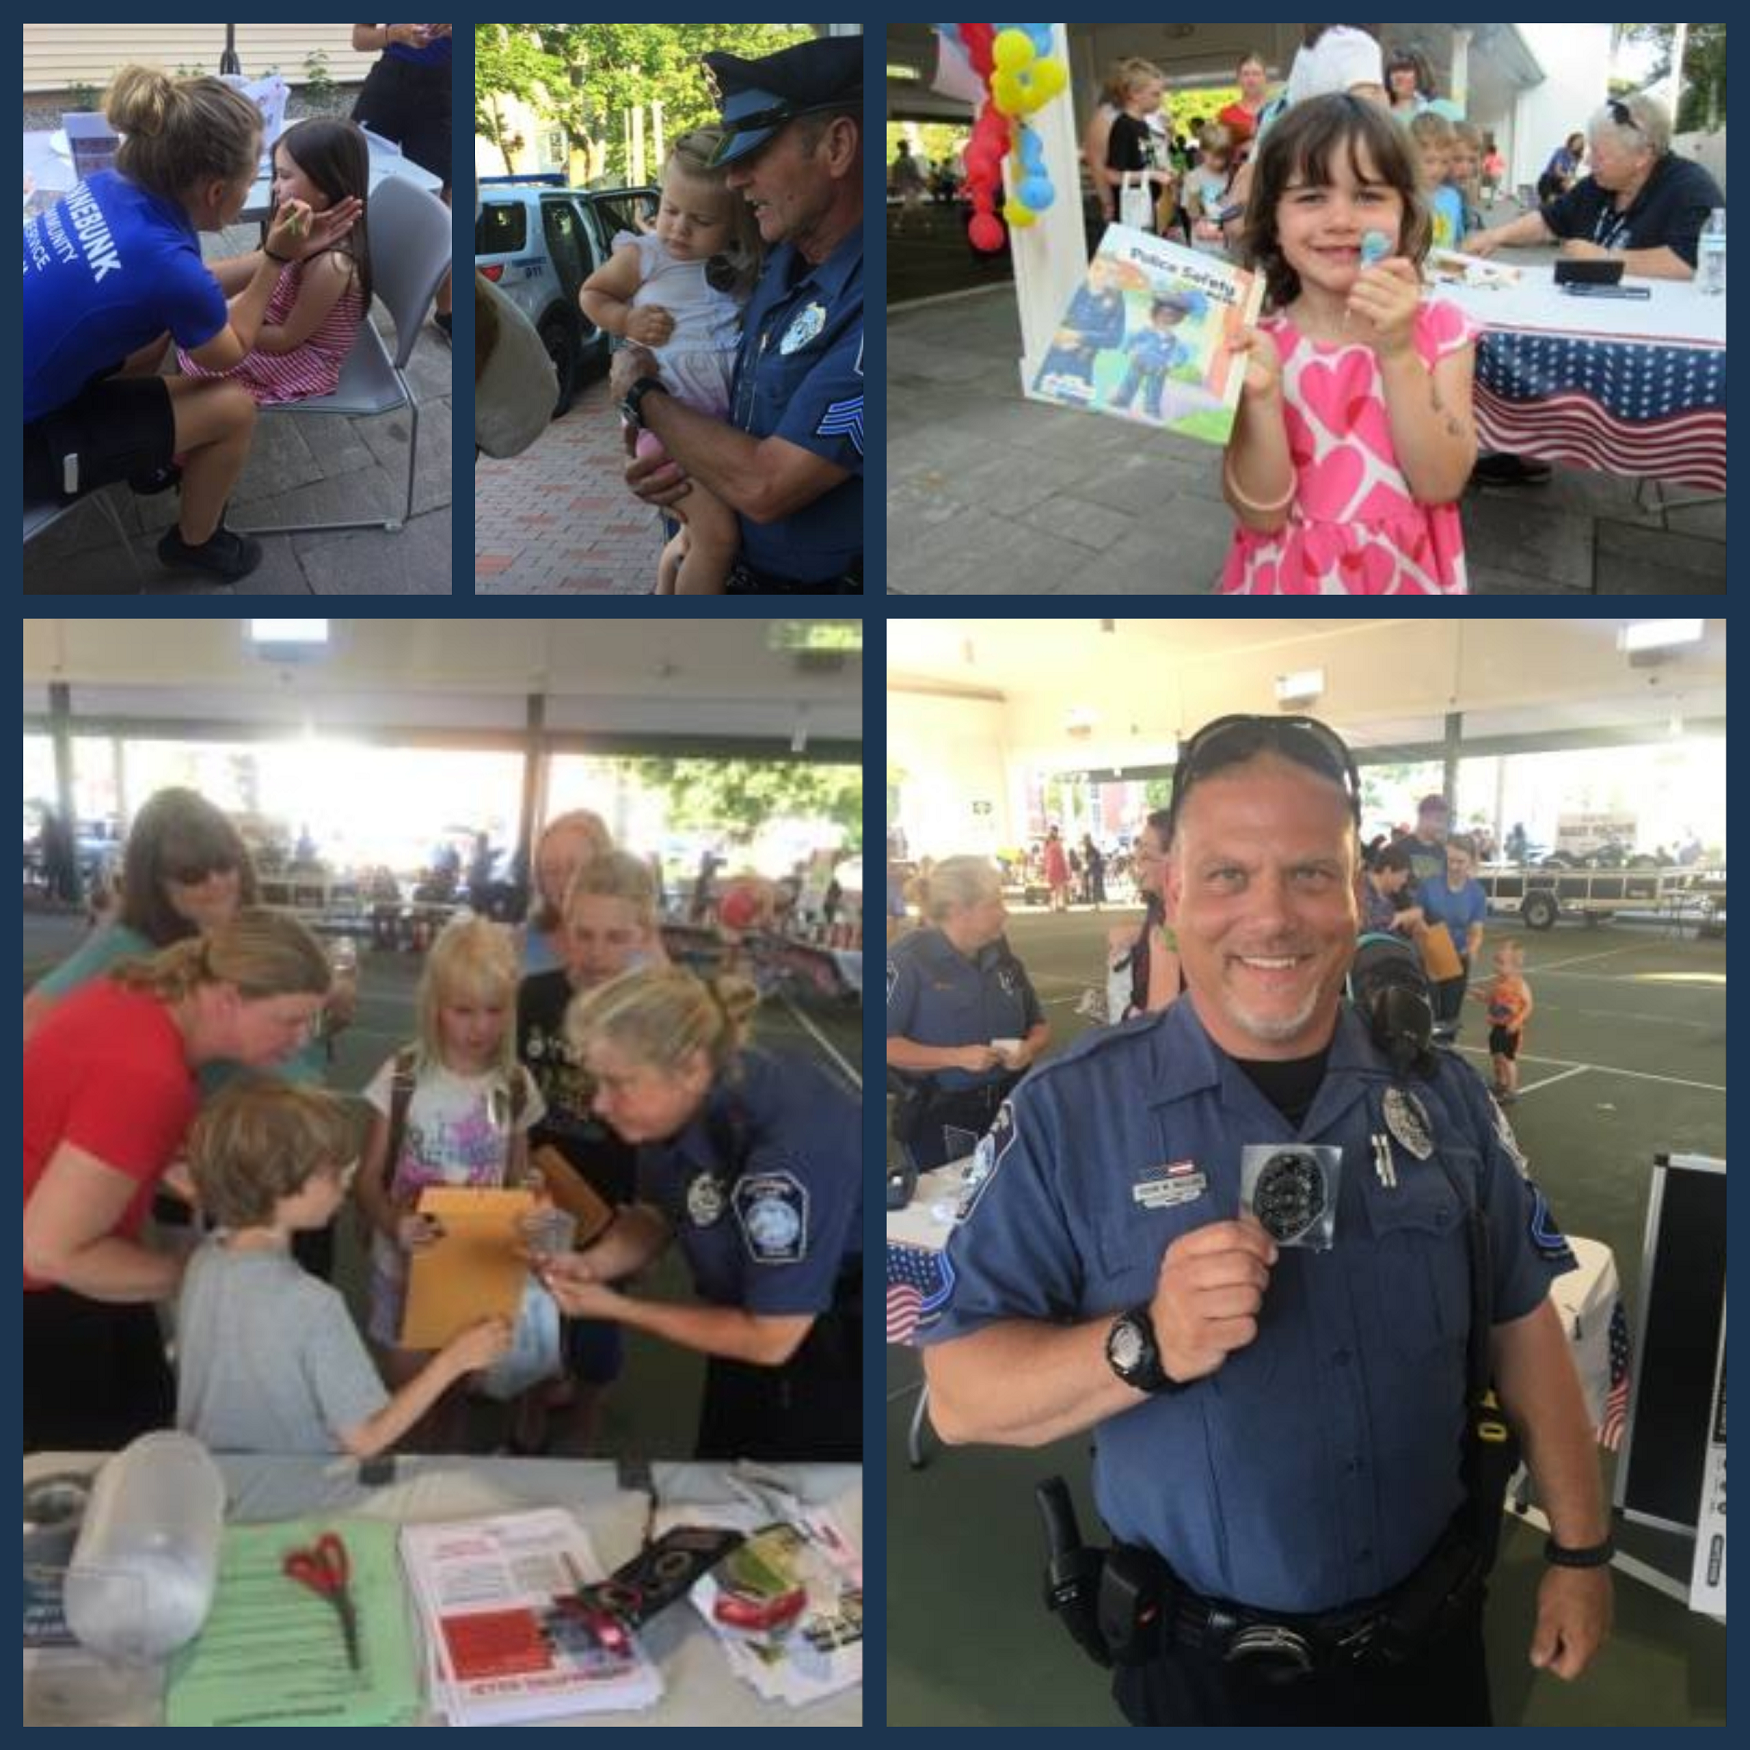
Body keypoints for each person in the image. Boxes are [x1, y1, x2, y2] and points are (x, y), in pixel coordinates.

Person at [918, 714, 1611, 1726]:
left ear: (1354, 893)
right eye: (1228, 875)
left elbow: (1521, 1324)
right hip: (1204, 1678)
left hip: (1431, 1650)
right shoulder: (1071, 1113)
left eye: (1308, 874)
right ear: (1172, 894)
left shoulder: (1445, 1099)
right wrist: (1142, 1344)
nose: (1271, 917)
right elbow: (961, 1392)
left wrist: (1582, 1550)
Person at [23, 67, 362, 581]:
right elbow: (230, 351)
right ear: (216, 191)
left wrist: (285, 255)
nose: (263, 188)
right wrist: (274, 260)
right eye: (257, 176)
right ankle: (196, 544)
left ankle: (146, 450)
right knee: (234, 408)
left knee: (156, 332)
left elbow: (186, 283)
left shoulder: (108, 186)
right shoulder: (166, 265)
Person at [24, 909, 332, 1451]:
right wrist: (213, 1275)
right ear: (229, 997)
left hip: (70, 1265)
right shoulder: (148, 1075)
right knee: (95, 1475)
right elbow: (45, 1252)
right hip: (41, 1301)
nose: (300, 1039)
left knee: (146, 1417)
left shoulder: (137, 993)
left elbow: (91, 1136)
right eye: (289, 1020)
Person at [536, 968, 861, 1461]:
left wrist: (618, 1308)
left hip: (828, 1335)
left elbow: (773, 1338)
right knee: (726, 1456)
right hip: (744, 1317)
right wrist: (591, 1266)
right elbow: (657, 1214)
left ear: (689, 1069)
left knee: (802, 1490)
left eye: (617, 1084)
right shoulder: (670, 1106)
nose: (599, 1103)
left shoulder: (787, 1149)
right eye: (595, 1081)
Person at [615, 36, 862, 595]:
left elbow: (765, 485)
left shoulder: (866, 305)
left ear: (838, 148)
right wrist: (669, 459)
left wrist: (641, 397)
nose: (734, 178)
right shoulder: (775, 261)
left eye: (753, 154)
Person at [1222, 94, 1478, 595]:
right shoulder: (1254, 344)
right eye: (1310, 197)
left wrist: (1399, 353)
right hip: (1288, 578)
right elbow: (1261, 514)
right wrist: (1262, 398)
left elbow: (1440, 483)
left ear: (1406, 211)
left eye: (1368, 195)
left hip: (1404, 575)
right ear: (1273, 221)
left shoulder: (1441, 330)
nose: (1341, 219)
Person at [176, 1080, 511, 1456]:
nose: (348, 1181)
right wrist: (454, 1360)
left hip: (209, 1482)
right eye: (333, 1172)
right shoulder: (311, 1302)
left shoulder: (204, 1261)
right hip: (292, 1495)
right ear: (280, 1182)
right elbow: (367, 1437)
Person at [353, 917, 546, 1437]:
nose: (480, 1027)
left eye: (494, 1010)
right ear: (434, 1003)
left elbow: (519, 1178)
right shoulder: (403, 1075)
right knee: (406, 1394)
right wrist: (394, 1224)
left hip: (478, 1269)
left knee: (461, 1387)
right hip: (403, 1271)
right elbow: (366, 1181)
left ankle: (446, 1461)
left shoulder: (514, 1084)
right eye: (463, 1010)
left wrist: (529, 1201)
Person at [518, 851, 664, 1450]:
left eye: (615, 937)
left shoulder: (652, 1012)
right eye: (583, 934)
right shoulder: (535, 994)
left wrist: (652, 1216)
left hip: (615, 1195)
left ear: (643, 935)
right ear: (564, 927)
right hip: (542, 1181)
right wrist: (516, 1168)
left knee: (600, 1315)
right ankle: (529, 1398)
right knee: (536, 1302)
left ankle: (585, 1410)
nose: (597, 952)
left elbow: (664, 1120)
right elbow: (519, 1087)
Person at [581, 130, 762, 596]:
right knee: (718, 540)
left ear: (735, 224)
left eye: (700, 219)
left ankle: (665, 587)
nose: (679, 228)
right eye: (670, 210)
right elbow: (592, 293)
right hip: (665, 432)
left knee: (693, 534)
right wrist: (627, 318)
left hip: (716, 430)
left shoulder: (740, 265)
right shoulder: (645, 256)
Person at [176, 120, 373, 405]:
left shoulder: (332, 265)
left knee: (205, 360)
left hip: (301, 355)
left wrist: (227, 329)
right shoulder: (301, 229)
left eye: (284, 175)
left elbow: (286, 338)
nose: (275, 187)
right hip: (281, 327)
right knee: (200, 339)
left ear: (326, 185)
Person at [886, 856, 1048, 1170]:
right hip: (943, 1121)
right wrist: (956, 1057)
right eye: (994, 903)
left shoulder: (1003, 958)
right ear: (959, 909)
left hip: (1012, 1108)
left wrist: (1028, 1048)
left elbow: (1039, 1025)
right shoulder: (907, 961)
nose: (1006, 912)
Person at [1471, 97, 1724, 284]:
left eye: (1600, 155)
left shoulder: (1691, 189)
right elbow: (1549, 221)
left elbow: (1690, 262)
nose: (1589, 162)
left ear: (1642, 156)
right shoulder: (1598, 184)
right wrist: (1495, 236)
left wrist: (1605, 258)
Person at [351, 23, 452, 338]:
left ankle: (448, 312)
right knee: (351, 183)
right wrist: (393, 34)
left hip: (448, 88)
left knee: (441, 203)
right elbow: (360, 38)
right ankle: (340, 298)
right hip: (391, 82)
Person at [1107, 809, 1181, 1022]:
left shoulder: (1174, 922)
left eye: (1147, 854)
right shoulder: (1160, 907)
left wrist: (1125, 1013)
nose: (1137, 859)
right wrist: (1137, 934)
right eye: (1138, 847)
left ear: (1174, 862)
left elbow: (1161, 1021)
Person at [522, 809, 613, 975]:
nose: (563, 880)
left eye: (574, 867)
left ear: (605, 868)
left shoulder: (636, 943)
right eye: (551, 869)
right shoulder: (523, 942)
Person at [1419, 834, 1488, 1042]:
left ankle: (1447, 1062)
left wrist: (1472, 948)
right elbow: (1416, 919)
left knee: (1450, 1018)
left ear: (1472, 862)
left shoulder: (1477, 893)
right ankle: (1429, 1060)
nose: (1455, 866)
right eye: (1451, 860)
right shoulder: (1429, 886)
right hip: (1429, 958)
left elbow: (1476, 930)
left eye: (1461, 861)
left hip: (1458, 960)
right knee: (1430, 1016)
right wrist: (1430, 941)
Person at [1105, 63, 1176, 236]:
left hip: (1149, 214)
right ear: (1134, 94)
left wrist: (1162, 171)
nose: (1160, 99)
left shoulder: (1143, 125)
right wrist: (1153, 175)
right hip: (1133, 219)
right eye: (1155, 94)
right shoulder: (1123, 126)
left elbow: (1142, 163)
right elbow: (1111, 175)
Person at [1472, 939, 1533, 1103]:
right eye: (1495, 961)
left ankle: (1511, 1090)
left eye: (1500, 962)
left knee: (1507, 1059)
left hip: (1510, 1029)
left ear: (1514, 966)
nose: (1495, 966)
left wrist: (1517, 1022)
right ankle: (1501, 1082)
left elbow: (1528, 1006)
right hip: (1497, 1027)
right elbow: (1490, 998)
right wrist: (1480, 995)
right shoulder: (1497, 983)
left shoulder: (1520, 984)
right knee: (1497, 1057)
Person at [1408, 111, 1465, 249]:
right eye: (1429, 161)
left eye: (1445, 162)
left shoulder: (1453, 197)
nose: (1438, 170)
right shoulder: (1404, 197)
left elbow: (1458, 240)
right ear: (1410, 157)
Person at [1185, 124, 1239, 255]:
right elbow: (1193, 215)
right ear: (1203, 151)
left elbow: (1240, 208)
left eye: (1224, 156)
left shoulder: (1235, 174)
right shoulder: (1194, 176)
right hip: (1204, 247)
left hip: (1230, 247)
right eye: (1215, 156)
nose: (1220, 161)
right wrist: (1193, 195)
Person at [1391, 793, 1451, 892]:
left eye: (1443, 821)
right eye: (1438, 820)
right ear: (1424, 817)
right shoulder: (1400, 848)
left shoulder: (1443, 851)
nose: (1442, 826)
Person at [1360, 840, 1421, 936]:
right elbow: (1368, 925)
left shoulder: (1390, 895)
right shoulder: (1361, 887)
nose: (1404, 881)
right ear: (1388, 870)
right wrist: (1402, 916)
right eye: (1403, 875)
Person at [1217, 52, 1273, 155]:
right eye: (1245, 74)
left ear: (1265, 78)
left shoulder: (1279, 109)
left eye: (1256, 74)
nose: (1251, 79)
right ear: (1238, 79)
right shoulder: (1226, 115)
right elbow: (1219, 153)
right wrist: (1241, 148)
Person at [1537, 133, 1587, 206]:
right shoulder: (1561, 151)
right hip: (1548, 181)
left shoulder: (1576, 158)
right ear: (1571, 140)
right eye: (1577, 141)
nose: (1578, 144)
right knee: (1551, 204)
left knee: (1567, 201)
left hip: (1559, 184)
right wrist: (1573, 178)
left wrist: (1571, 189)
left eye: (1581, 143)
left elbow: (1569, 176)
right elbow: (1558, 171)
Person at [890, 139, 927, 233]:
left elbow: (895, 176)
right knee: (909, 207)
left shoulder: (897, 161)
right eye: (908, 146)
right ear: (906, 147)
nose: (909, 147)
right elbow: (914, 174)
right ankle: (897, 224)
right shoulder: (909, 160)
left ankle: (924, 222)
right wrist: (922, 181)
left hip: (905, 186)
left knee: (917, 205)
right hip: (910, 186)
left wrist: (896, 185)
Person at [1042, 826, 1072, 912]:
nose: (1053, 833)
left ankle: (1057, 905)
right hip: (1054, 868)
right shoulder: (1051, 844)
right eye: (1053, 831)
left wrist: (1066, 868)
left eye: (1054, 831)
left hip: (1055, 868)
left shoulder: (1052, 843)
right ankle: (1056, 905)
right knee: (1056, 888)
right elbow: (1048, 857)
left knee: (1057, 888)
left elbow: (1061, 857)